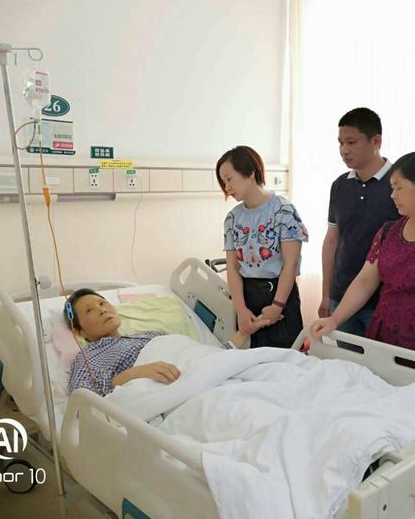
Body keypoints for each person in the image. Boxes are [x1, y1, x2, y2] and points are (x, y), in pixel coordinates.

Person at [311, 152, 415, 375]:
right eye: (391, 188)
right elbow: (364, 282)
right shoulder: (388, 232)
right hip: (384, 336)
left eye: (398, 188)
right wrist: (335, 318)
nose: (392, 195)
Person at [66, 289, 252, 395]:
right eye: (89, 310)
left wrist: (244, 331)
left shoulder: (150, 334)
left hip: (209, 377)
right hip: (176, 392)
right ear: (79, 331)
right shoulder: (89, 357)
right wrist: (135, 373)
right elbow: (80, 396)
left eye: (102, 303)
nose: (102, 310)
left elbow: (205, 358)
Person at [319, 108, 399, 341]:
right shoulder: (340, 185)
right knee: (347, 362)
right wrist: (326, 294)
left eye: (351, 142)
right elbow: (331, 241)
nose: (344, 150)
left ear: (376, 141)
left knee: (382, 362)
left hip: (384, 301)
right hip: (342, 298)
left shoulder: (399, 183)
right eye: (341, 143)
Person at [217, 145, 308, 348]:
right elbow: (232, 267)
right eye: (223, 182)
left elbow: (290, 264)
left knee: (286, 358)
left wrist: (277, 305)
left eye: (229, 179)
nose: (227, 187)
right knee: (252, 361)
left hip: (280, 295)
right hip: (248, 299)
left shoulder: (283, 211)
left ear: (250, 173)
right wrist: (241, 310)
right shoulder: (232, 219)